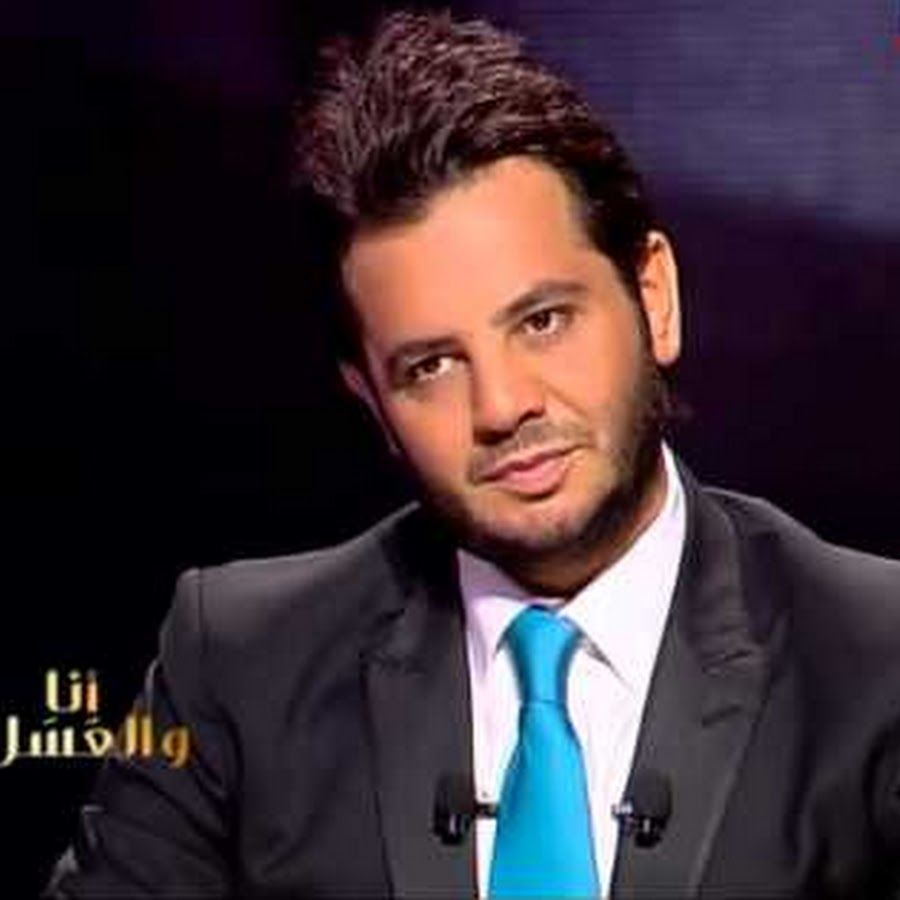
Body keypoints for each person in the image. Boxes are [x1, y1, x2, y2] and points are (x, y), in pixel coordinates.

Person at [46, 10, 900, 899]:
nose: (501, 407)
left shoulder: (877, 662)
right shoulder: (239, 665)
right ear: (371, 402)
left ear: (654, 298)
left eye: (543, 320)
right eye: (431, 366)